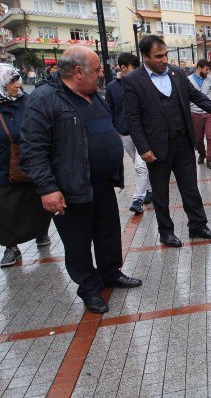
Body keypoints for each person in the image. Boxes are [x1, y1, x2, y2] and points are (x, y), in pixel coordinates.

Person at [20, 46, 142, 313]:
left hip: (102, 182)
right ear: (78, 72)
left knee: (108, 232)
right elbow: (33, 149)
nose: (101, 74)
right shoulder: (44, 99)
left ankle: (110, 273)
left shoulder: (92, 96)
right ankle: (89, 288)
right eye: (97, 70)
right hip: (70, 187)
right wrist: (48, 188)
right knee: (78, 242)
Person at [122, 35, 211, 248]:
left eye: (165, 55)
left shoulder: (176, 73)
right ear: (145, 57)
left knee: (190, 187)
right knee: (161, 192)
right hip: (156, 147)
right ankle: (166, 232)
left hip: (183, 141)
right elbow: (132, 118)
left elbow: (197, 97)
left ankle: (198, 225)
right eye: (158, 56)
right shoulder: (133, 81)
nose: (164, 60)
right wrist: (143, 147)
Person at [0, 64, 51, 267]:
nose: (18, 85)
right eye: (12, 81)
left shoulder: (28, 101)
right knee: (7, 209)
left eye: (17, 79)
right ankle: (11, 247)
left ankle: (41, 232)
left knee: (36, 202)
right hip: (3, 167)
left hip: (31, 162)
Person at [106, 52, 153, 213]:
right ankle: (150, 190)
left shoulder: (141, 83)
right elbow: (110, 110)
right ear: (123, 68)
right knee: (139, 164)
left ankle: (137, 199)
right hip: (124, 134)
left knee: (141, 165)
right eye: (133, 69)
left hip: (142, 132)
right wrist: (115, 130)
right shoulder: (112, 87)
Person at [188, 59, 211, 169]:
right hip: (195, 113)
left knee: (210, 136)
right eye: (206, 69)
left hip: (210, 113)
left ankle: (210, 159)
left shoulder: (210, 80)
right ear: (199, 68)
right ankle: (202, 154)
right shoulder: (188, 80)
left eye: (209, 70)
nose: (207, 72)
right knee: (198, 138)